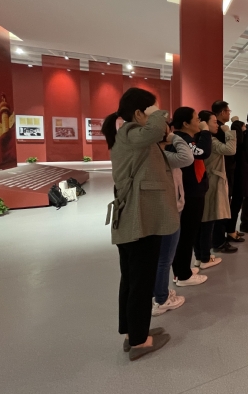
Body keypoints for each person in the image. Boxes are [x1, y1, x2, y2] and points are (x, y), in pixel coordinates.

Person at [102, 87, 177, 361]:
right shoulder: (132, 131)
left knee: (133, 279)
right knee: (141, 280)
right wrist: (158, 113)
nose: (158, 117)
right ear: (138, 113)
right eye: (152, 110)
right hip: (140, 220)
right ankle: (139, 341)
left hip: (136, 219)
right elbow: (155, 130)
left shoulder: (129, 135)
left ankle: (132, 332)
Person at [168, 107, 212, 287]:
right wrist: (206, 132)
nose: (199, 122)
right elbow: (203, 152)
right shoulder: (182, 139)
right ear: (186, 123)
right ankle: (183, 275)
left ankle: (181, 270)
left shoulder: (185, 139)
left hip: (191, 191)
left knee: (187, 233)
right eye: (196, 119)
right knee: (187, 234)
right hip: (190, 193)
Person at [152, 128, 193, 317]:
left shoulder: (157, 154)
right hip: (170, 209)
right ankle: (161, 299)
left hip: (165, 207)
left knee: (161, 257)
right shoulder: (162, 156)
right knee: (165, 258)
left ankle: (160, 293)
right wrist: (174, 137)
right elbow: (187, 157)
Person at [194, 110, 237, 268]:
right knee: (208, 220)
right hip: (212, 182)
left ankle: (200, 256)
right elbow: (231, 149)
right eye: (214, 122)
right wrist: (229, 132)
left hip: (208, 181)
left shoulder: (201, 139)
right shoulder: (210, 140)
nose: (217, 125)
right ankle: (205, 257)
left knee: (204, 221)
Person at [210, 100, 239, 253]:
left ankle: (221, 237)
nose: (229, 113)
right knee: (221, 207)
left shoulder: (220, 130)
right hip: (222, 171)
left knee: (224, 205)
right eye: (228, 111)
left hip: (226, 170)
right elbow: (231, 149)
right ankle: (218, 241)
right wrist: (232, 130)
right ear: (222, 112)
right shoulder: (220, 131)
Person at [226, 120, 248, 241]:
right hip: (238, 175)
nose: (245, 129)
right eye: (243, 127)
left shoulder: (237, 142)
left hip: (238, 175)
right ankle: (230, 231)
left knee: (236, 204)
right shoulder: (237, 143)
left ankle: (232, 229)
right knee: (235, 204)